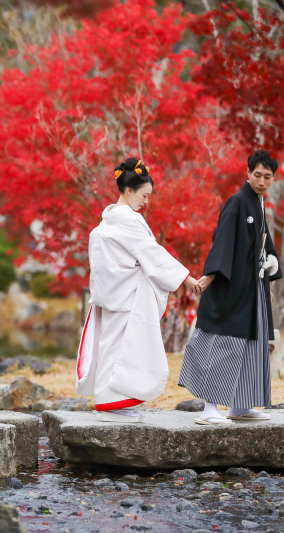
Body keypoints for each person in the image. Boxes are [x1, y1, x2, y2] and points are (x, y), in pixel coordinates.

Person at [76, 157, 203, 423]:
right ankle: (111, 401)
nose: (146, 201)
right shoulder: (127, 221)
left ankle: (111, 400)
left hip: (113, 293)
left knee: (113, 346)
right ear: (129, 190)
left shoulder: (107, 221)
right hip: (127, 295)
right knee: (122, 348)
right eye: (144, 195)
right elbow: (151, 254)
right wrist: (186, 278)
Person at [178, 150, 283, 425]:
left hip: (253, 287)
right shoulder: (237, 202)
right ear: (247, 174)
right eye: (257, 175)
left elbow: (264, 246)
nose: (261, 181)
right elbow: (222, 241)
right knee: (224, 343)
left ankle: (241, 405)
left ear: (273, 178)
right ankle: (209, 409)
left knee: (252, 343)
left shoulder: (258, 204)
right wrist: (210, 277)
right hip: (232, 286)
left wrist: (269, 273)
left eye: (267, 176)